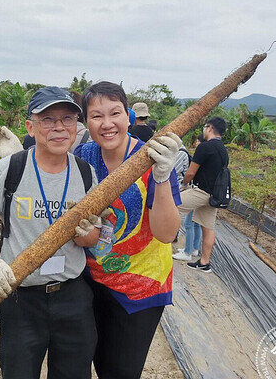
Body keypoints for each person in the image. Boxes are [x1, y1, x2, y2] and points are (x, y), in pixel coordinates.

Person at [0, 86, 100, 379]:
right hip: (21, 300)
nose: (59, 127)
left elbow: (92, 239)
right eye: (48, 119)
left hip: (72, 298)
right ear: (30, 127)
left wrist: (83, 233)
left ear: (77, 126)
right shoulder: (12, 168)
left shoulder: (86, 173)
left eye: (67, 118)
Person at [75, 81, 182, 379]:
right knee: (97, 359)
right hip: (91, 280)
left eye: (115, 113)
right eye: (96, 116)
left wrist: (161, 177)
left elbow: (166, 234)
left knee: (121, 370)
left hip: (140, 285)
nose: (107, 124)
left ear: (128, 117)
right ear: (86, 121)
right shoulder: (83, 156)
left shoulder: (153, 159)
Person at [178, 117, 229, 273]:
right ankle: (205, 262)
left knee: (169, 205)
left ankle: (156, 245)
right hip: (213, 196)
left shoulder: (205, 147)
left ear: (209, 128)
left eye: (205, 127)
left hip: (200, 192)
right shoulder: (223, 150)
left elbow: (190, 173)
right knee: (208, 228)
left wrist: (183, 184)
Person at [172, 134, 205, 261]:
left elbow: (176, 170)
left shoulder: (182, 152)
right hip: (200, 190)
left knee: (189, 223)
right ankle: (195, 248)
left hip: (191, 189)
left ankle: (188, 252)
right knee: (196, 222)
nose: (196, 142)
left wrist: (184, 184)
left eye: (197, 140)